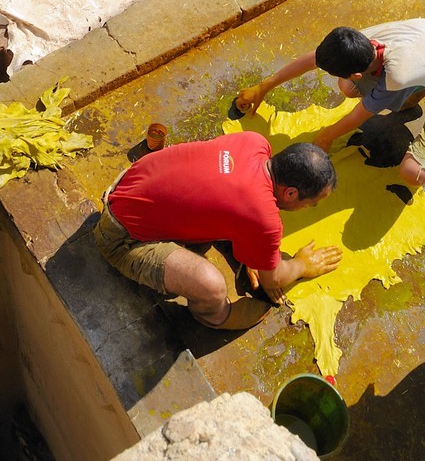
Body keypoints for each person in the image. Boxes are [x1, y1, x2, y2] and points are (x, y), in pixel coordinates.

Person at [95, 135, 341, 330]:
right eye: (310, 204)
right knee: (211, 286)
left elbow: (228, 194)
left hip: (126, 184)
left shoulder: (254, 142)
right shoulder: (264, 218)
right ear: (291, 193)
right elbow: (273, 279)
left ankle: (244, 251)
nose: (307, 209)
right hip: (121, 238)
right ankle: (212, 315)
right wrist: (302, 264)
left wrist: (256, 250)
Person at [236, 19, 425, 189]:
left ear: (359, 73)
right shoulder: (359, 41)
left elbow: (359, 115)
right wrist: (264, 87)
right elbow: (313, 59)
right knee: (348, 88)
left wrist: (325, 138)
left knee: (413, 173)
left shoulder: (397, 75)